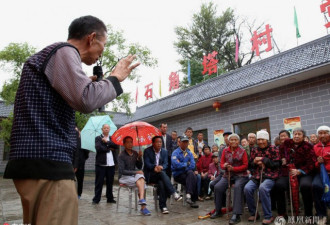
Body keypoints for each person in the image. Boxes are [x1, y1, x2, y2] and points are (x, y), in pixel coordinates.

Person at [3, 15, 139, 225]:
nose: (101, 53)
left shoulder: (50, 55)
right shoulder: (64, 51)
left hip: (34, 162)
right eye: (102, 45)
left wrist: (88, 82)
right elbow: (85, 99)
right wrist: (115, 78)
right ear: (91, 38)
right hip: (49, 163)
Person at [275, 127, 316, 219]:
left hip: (304, 172)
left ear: (304, 136)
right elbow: (280, 151)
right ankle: (282, 214)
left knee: (306, 186)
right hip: (288, 171)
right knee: (279, 185)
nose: (296, 136)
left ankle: (308, 215)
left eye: (299, 134)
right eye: (295, 134)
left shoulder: (308, 146)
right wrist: (283, 159)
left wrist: (299, 171)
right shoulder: (287, 143)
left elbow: (311, 163)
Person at [211, 134, 249, 225]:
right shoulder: (225, 150)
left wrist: (234, 169)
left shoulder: (242, 151)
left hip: (241, 175)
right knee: (217, 187)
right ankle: (218, 210)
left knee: (237, 187)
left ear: (238, 141)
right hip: (228, 174)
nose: (233, 141)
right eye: (231, 140)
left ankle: (236, 214)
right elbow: (221, 163)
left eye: (235, 140)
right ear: (229, 141)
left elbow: (245, 165)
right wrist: (224, 166)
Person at [244, 130, 280, 224]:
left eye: (262, 139)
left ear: (267, 139)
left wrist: (264, 160)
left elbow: (277, 164)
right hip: (257, 175)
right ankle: (254, 213)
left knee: (263, 188)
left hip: (270, 176)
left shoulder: (274, 148)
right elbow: (250, 165)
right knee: (247, 188)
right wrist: (255, 162)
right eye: (259, 139)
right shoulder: (254, 150)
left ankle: (268, 215)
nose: (260, 142)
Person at [143, 136, 182, 214]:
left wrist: (161, 167)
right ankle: (173, 192)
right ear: (153, 143)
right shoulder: (147, 151)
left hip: (161, 174)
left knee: (161, 182)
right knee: (161, 174)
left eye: (160, 142)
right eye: (157, 142)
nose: (159, 144)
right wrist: (154, 167)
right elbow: (147, 164)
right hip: (151, 175)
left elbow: (166, 164)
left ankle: (163, 207)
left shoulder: (164, 151)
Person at [118, 136, 150, 216]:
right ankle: (143, 207)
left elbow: (139, 166)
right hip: (123, 177)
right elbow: (122, 171)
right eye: (128, 142)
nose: (130, 144)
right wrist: (136, 172)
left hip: (132, 176)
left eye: (131, 142)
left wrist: (139, 157)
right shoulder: (121, 155)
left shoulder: (135, 153)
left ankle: (142, 200)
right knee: (142, 184)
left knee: (141, 177)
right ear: (124, 144)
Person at [92, 124, 118, 204]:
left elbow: (116, 146)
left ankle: (110, 198)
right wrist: (109, 148)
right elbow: (99, 148)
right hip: (101, 164)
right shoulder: (98, 138)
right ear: (102, 129)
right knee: (99, 182)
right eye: (105, 128)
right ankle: (96, 199)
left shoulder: (111, 138)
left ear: (109, 129)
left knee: (110, 182)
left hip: (111, 164)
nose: (106, 129)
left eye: (108, 128)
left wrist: (107, 142)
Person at [171, 136, 199, 208]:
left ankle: (189, 196)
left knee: (192, 175)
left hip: (186, 173)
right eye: (183, 142)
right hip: (178, 174)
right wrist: (186, 164)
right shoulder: (175, 152)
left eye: (186, 142)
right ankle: (191, 199)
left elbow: (192, 165)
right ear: (180, 143)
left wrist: (182, 164)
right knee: (193, 177)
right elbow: (175, 164)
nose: (185, 144)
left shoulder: (189, 153)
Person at [312, 126, 330, 225]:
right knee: (316, 186)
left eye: (325, 133)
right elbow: (313, 162)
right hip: (321, 173)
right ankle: (321, 215)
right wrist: (318, 163)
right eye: (320, 133)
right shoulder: (315, 147)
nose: (322, 135)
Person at [73, 126, 90, 199]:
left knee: (80, 180)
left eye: (77, 131)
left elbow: (86, 152)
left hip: (80, 163)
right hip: (71, 162)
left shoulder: (83, 141)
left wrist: (83, 159)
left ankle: (79, 193)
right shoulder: (71, 140)